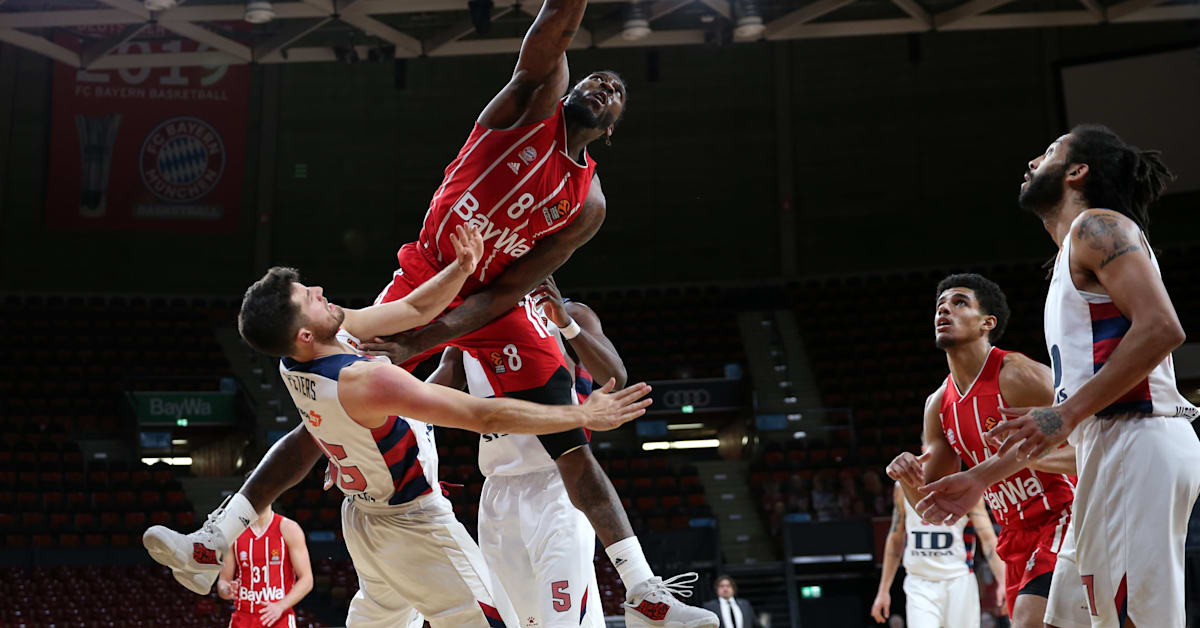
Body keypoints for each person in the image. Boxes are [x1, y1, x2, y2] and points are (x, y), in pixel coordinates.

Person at [146, 244, 654, 626]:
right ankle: (211, 540)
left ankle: (212, 537)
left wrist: (459, 268)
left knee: (380, 616)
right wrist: (584, 415)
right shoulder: (368, 379)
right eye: (310, 298)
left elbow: (412, 311)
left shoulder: (299, 360)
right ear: (305, 333)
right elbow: (483, 417)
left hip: (362, 521)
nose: (321, 292)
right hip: (414, 523)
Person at [935, 125, 1200, 627]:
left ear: (1078, 172)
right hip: (1107, 445)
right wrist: (979, 479)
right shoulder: (1066, 259)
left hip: (1139, 439)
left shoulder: (1097, 227)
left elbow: (1164, 328)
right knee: (1061, 621)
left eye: (1050, 152)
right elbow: (1074, 426)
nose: (1034, 160)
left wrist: (1064, 412)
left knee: (1132, 620)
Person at [885, 273, 1089, 628]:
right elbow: (938, 511)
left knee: (1030, 620)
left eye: (960, 302)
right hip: (1013, 532)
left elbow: (1093, 450)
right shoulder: (938, 405)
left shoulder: (1019, 375)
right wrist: (906, 478)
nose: (944, 309)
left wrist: (1025, 458)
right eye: (940, 305)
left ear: (986, 323)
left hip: (1065, 515)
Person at [419, 277, 621, 627]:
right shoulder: (469, 334)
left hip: (559, 487)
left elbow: (615, 375)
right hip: (499, 496)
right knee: (524, 623)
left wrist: (566, 324)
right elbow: (421, 400)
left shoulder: (570, 312)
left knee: (562, 620)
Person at [870, 481, 1004, 628]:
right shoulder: (903, 485)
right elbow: (895, 538)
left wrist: (1004, 582)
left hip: (958, 580)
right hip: (919, 581)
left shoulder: (967, 486)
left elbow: (988, 540)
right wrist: (883, 591)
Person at [217, 502, 313, 628]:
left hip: (279, 617)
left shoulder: (289, 528)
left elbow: (307, 580)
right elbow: (223, 581)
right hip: (243, 618)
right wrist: (227, 590)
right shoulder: (235, 532)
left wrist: (281, 606)